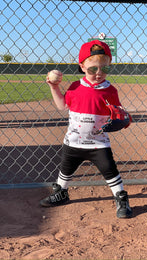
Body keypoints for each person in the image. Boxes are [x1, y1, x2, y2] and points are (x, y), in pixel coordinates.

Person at [40, 40, 132, 218]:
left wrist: (123, 117)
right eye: (93, 69)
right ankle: (61, 193)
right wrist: (54, 87)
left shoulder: (110, 90)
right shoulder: (75, 87)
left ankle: (121, 198)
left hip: (98, 143)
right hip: (73, 141)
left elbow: (119, 112)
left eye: (104, 69)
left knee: (110, 170)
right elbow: (61, 105)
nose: (99, 73)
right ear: (82, 66)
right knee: (65, 170)